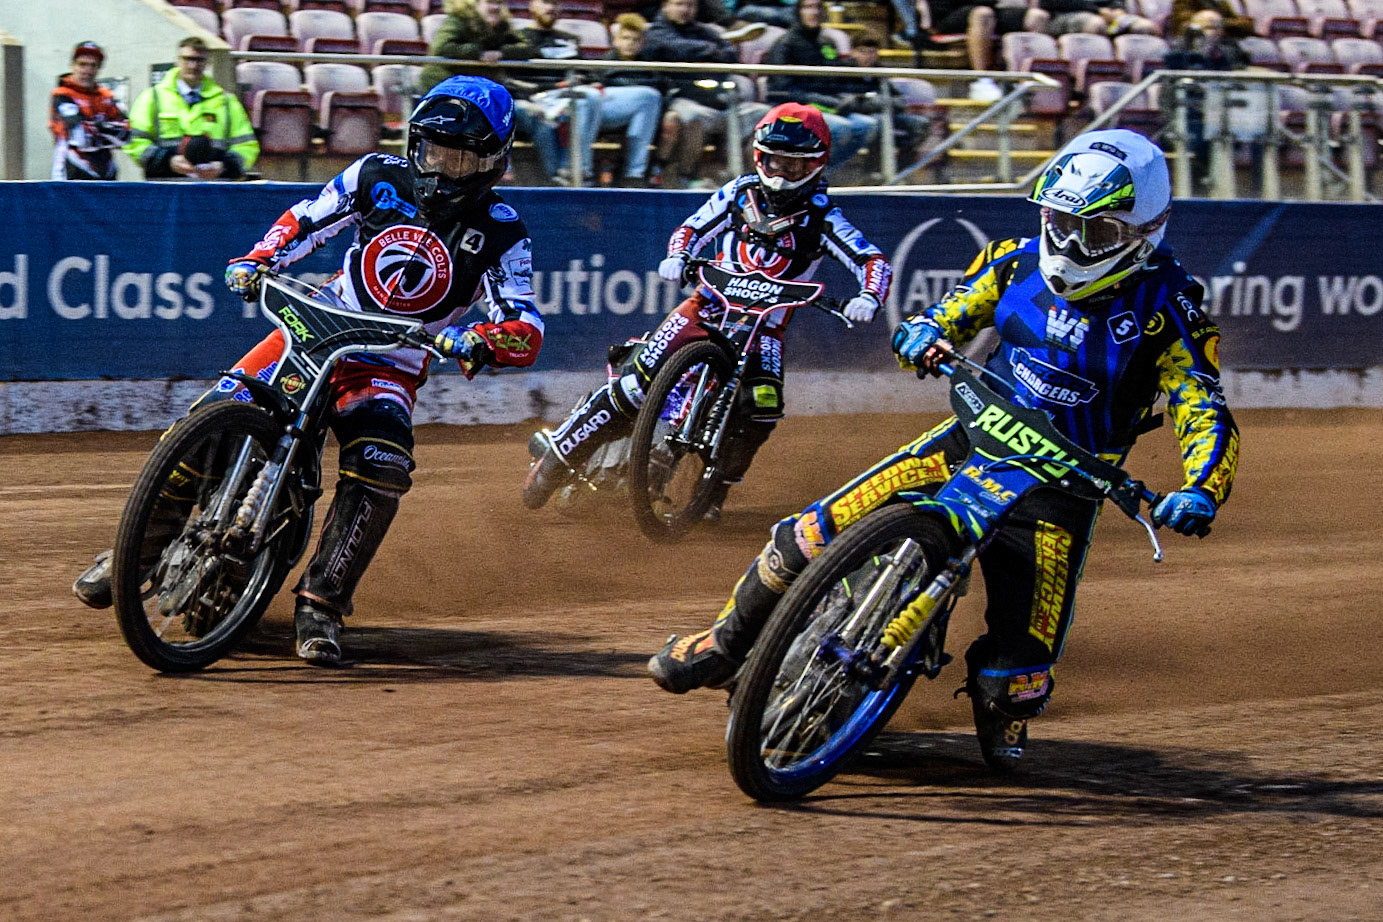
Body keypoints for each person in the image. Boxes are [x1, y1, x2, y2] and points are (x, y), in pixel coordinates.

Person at [647, 129, 1240, 773]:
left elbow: (1202, 406)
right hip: (966, 441)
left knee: (1018, 669)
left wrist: (1200, 488)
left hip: (1058, 489)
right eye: (1058, 222)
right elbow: (955, 309)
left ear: (1142, 233)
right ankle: (724, 643)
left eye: (1092, 234)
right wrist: (925, 330)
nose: (1067, 245)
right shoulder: (1013, 259)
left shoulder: (1171, 309)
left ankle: (1003, 710)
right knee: (806, 535)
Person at [74, 77, 544, 667]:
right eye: (431, 152)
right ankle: (136, 553)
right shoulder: (375, 174)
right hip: (313, 329)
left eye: (459, 158)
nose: (442, 170)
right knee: (209, 415)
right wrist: (260, 258)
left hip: (388, 363)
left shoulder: (504, 233)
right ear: (412, 145)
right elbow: (307, 218)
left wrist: (484, 339)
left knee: (382, 467)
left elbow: (525, 320)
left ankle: (322, 602)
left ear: (492, 162)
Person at [523, 103, 891, 519]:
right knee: (637, 379)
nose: (780, 173)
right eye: (773, 161)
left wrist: (869, 297)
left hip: (765, 328)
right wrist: (679, 256)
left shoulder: (824, 217)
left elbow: (872, 261)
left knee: (762, 406)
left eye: (793, 165)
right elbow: (692, 228)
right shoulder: (738, 192)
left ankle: (713, 490)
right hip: (707, 304)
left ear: (816, 165)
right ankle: (561, 453)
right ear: (758, 156)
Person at [642, 0, 771, 187]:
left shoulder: (705, 32)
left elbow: (729, 54)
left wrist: (703, 52)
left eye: (690, 5)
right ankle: (685, 177)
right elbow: (674, 49)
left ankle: (748, 179)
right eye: (679, 4)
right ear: (665, 6)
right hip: (684, 99)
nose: (685, 10)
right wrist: (710, 50)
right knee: (691, 118)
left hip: (721, 101)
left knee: (764, 116)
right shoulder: (656, 32)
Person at [763, 0, 878, 175]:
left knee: (867, 125)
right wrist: (823, 101)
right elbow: (781, 89)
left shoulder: (828, 42)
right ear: (798, 12)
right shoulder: (785, 43)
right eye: (808, 7)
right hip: (795, 109)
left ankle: (823, 174)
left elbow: (835, 79)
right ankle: (808, 176)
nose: (814, 12)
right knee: (841, 128)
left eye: (818, 7)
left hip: (829, 106)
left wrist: (849, 96)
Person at [125, 37, 258, 181]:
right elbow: (133, 141)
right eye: (187, 59)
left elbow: (246, 145)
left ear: (207, 63)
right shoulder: (152, 98)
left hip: (214, 190)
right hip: (165, 190)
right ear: (177, 61)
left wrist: (224, 166)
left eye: (199, 60)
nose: (193, 65)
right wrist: (167, 161)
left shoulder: (227, 102)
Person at [1163, 9, 1248, 189]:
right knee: (1205, 137)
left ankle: (1258, 189)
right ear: (1194, 28)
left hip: (1222, 116)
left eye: (1218, 27)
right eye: (1209, 27)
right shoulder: (1180, 54)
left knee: (1258, 135)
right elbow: (1168, 95)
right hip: (1186, 119)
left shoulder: (1228, 53)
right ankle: (1198, 190)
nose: (1215, 32)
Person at [597, 14, 669, 187]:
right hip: (606, 113)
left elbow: (665, 92)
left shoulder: (650, 67)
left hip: (642, 119)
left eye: (635, 39)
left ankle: (635, 174)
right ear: (616, 40)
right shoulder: (604, 63)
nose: (630, 43)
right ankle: (634, 172)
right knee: (648, 97)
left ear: (642, 43)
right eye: (625, 38)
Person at [49, 41, 130, 181]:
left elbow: (127, 135)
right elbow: (81, 137)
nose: (87, 70)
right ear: (72, 66)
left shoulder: (106, 95)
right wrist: (107, 130)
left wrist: (95, 129)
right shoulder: (62, 95)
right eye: (82, 64)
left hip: (107, 171)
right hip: (72, 169)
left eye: (93, 65)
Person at [915, 0, 1050, 71]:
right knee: (983, 14)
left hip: (987, 8)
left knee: (1037, 17)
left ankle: (1029, 78)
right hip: (947, 15)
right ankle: (982, 79)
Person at [1045, 0, 1157, 38]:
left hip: (1108, 16)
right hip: (1065, 16)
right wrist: (1097, 11)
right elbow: (1050, 3)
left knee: (1145, 27)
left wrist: (1117, 9)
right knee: (1096, 24)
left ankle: (1133, 77)